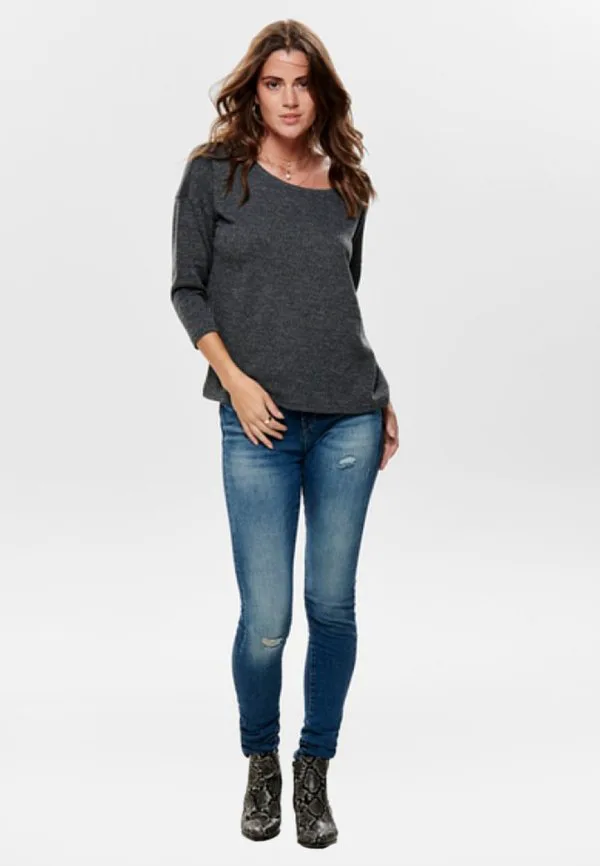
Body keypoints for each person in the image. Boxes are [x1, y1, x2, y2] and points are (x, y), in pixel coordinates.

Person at [170, 18, 399, 849]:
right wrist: (236, 383)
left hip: (348, 415)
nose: (290, 98)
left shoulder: (348, 184)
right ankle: (261, 760)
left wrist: (381, 394)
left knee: (331, 607)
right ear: (254, 91)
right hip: (256, 423)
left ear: (322, 92)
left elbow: (341, 301)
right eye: (274, 83)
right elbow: (187, 290)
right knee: (266, 617)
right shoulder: (213, 175)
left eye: (303, 83)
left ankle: (314, 771)